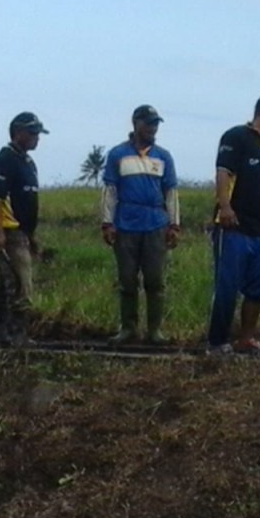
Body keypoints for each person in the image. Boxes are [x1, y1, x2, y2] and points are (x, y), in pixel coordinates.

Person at [205, 92, 260, 356]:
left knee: (258, 289)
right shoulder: (236, 136)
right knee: (227, 286)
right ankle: (217, 342)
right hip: (234, 227)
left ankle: (246, 339)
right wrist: (225, 207)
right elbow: (223, 172)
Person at [100, 104, 180, 345]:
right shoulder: (117, 154)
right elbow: (110, 191)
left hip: (155, 224)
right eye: (148, 123)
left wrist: (174, 225)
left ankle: (154, 331)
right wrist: (107, 222)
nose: (153, 128)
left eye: (155, 124)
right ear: (136, 124)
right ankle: (128, 328)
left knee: (155, 280)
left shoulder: (163, 156)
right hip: (126, 224)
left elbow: (171, 192)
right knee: (127, 280)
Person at [0, 111, 48, 347]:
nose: (36, 138)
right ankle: (15, 335)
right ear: (18, 133)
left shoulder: (28, 162)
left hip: (23, 232)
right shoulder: (4, 160)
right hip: (9, 232)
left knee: (5, 284)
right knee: (21, 284)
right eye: (32, 133)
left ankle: (2, 334)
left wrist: (32, 235)